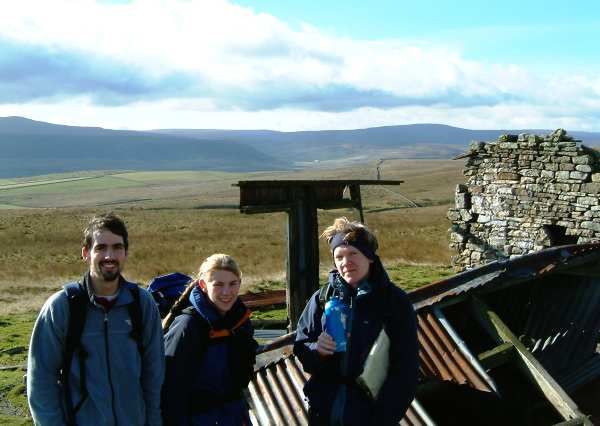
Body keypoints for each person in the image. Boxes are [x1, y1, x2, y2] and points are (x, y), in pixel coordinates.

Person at [27, 213, 165, 426]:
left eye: (117, 247)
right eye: (100, 248)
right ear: (86, 253)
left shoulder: (142, 304)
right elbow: (41, 381)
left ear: (126, 253)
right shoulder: (62, 307)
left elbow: (154, 375)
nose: (109, 256)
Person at [294, 217, 418, 425]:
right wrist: (317, 350)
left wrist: (381, 419)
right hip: (323, 412)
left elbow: (406, 372)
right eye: (339, 256)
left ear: (370, 257)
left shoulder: (394, 302)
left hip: (370, 414)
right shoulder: (322, 298)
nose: (346, 262)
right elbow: (301, 346)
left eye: (353, 253)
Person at [162, 254, 257, 426]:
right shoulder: (187, 326)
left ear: (240, 283)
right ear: (203, 285)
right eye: (218, 285)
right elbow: (170, 392)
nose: (226, 292)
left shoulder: (241, 322)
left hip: (234, 415)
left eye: (232, 283)